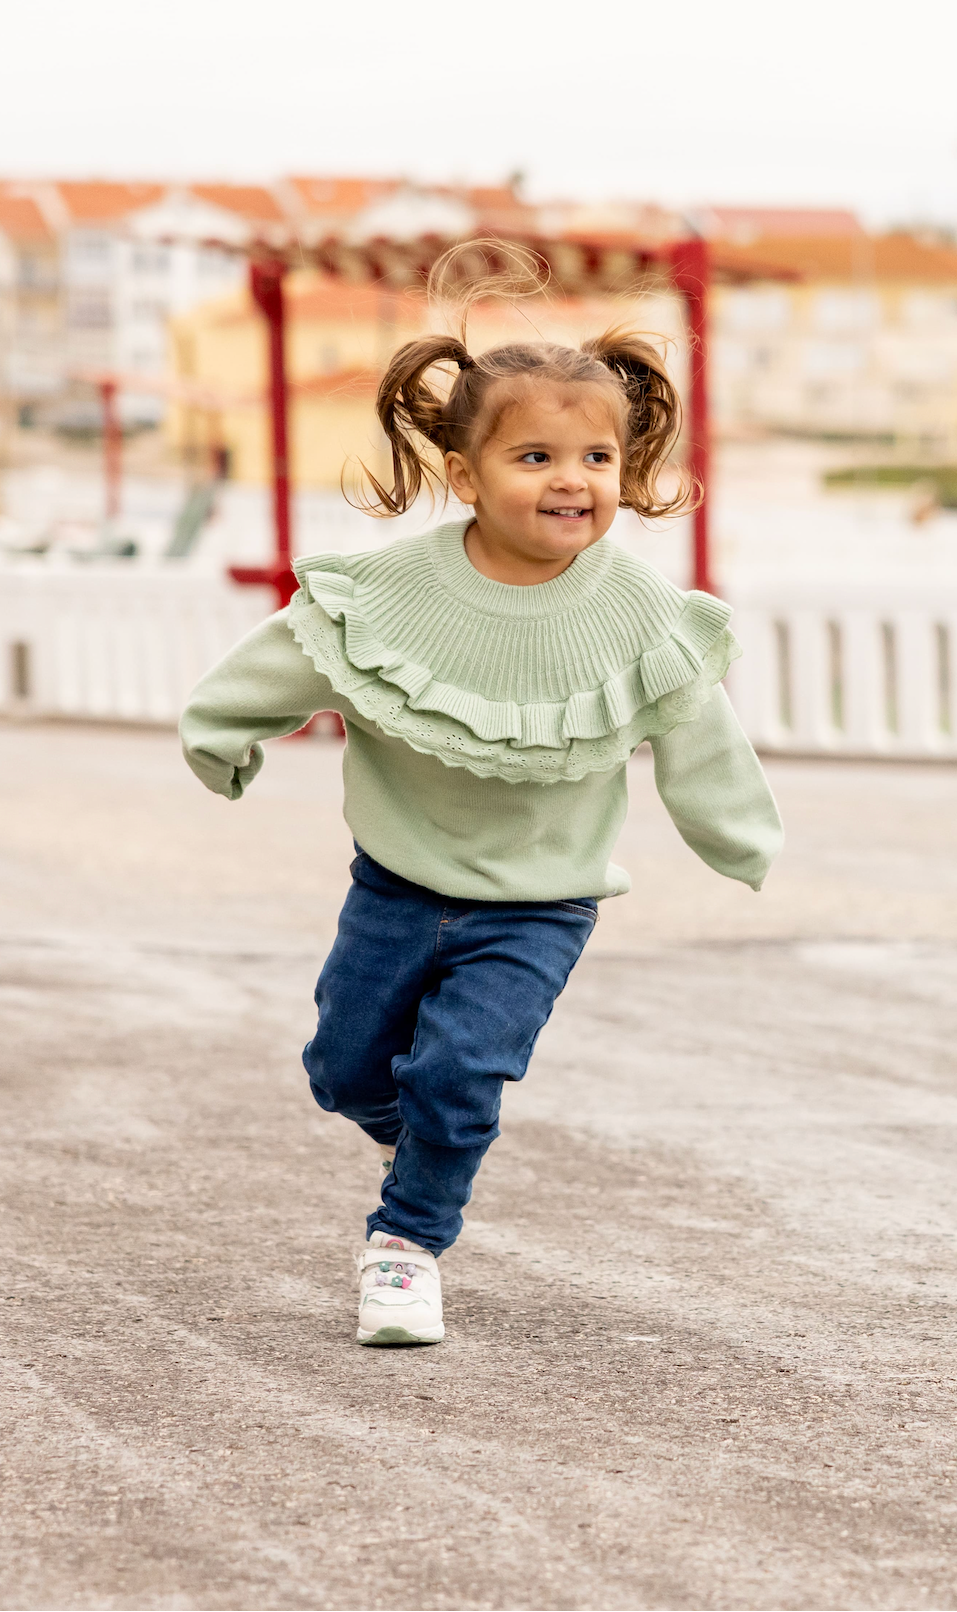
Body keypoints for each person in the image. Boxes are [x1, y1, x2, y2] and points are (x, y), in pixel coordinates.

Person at [178, 286, 781, 1347]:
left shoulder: (637, 612)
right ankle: (424, 1142)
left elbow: (698, 728)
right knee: (345, 1072)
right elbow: (282, 663)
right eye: (536, 458)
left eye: (596, 458)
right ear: (465, 475)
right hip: (397, 886)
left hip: (539, 906)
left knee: (459, 1072)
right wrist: (221, 739)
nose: (572, 481)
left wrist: (741, 838)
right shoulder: (391, 592)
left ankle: (406, 1246)